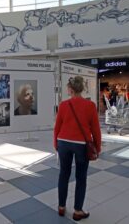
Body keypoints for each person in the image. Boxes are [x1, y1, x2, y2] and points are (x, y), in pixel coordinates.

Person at [54, 76, 101, 221]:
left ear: (70, 89)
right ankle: (78, 211)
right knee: (81, 177)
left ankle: (61, 207)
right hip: (81, 145)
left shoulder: (63, 105)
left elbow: (57, 127)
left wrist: (56, 144)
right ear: (82, 88)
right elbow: (95, 129)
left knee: (64, 174)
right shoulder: (90, 105)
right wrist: (97, 147)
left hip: (63, 142)